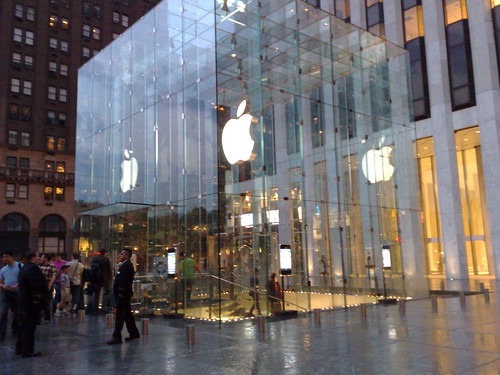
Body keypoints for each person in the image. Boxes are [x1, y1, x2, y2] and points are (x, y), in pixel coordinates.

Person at [16, 251, 48, 357]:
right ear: (33, 257)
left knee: (23, 325)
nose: (39, 258)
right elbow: (35, 285)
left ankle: (20, 348)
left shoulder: (24, 268)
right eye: (38, 256)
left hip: (23, 300)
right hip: (30, 302)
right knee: (30, 326)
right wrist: (36, 298)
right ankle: (27, 350)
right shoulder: (33, 269)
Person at [107, 248, 140, 345]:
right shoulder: (123, 265)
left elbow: (124, 281)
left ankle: (116, 336)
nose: (119, 256)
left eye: (121, 254)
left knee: (120, 316)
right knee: (127, 315)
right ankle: (134, 333)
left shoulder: (127, 266)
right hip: (123, 294)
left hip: (123, 295)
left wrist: (121, 292)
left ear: (126, 256)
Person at [0, 252, 20, 339]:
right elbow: (0, 282)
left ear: (11, 257)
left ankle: (15, 331)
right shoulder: (3, 269)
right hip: (6, 292)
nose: (5, 259)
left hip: (17, 292)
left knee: (17, 312)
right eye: (3, 257)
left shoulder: (20, 266)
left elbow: (24, 278)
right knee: (3, 312)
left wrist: (17, 285)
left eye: (6, 257)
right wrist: (3, 286)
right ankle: (2, 333)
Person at [88, 249, 113, 314]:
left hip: (96, 279)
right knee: (107, 293)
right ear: (105, 253)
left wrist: (91, 279)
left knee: (96, 294)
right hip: (105, 278)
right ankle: (104, 308)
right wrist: (110, 278)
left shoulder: (94, 259)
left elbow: (92, 270)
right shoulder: (106, 259)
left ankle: (95, 309)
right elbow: (109, 269)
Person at [39, 254, 57, 322]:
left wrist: (50, 285)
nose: (41, 258)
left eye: (42, 257)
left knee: (47, 301)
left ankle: (47, 317)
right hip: (41, 286)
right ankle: (40, 316)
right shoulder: (40, 266)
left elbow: (54, 275)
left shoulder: (52, 266)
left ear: (46, 258)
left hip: (47, 285)